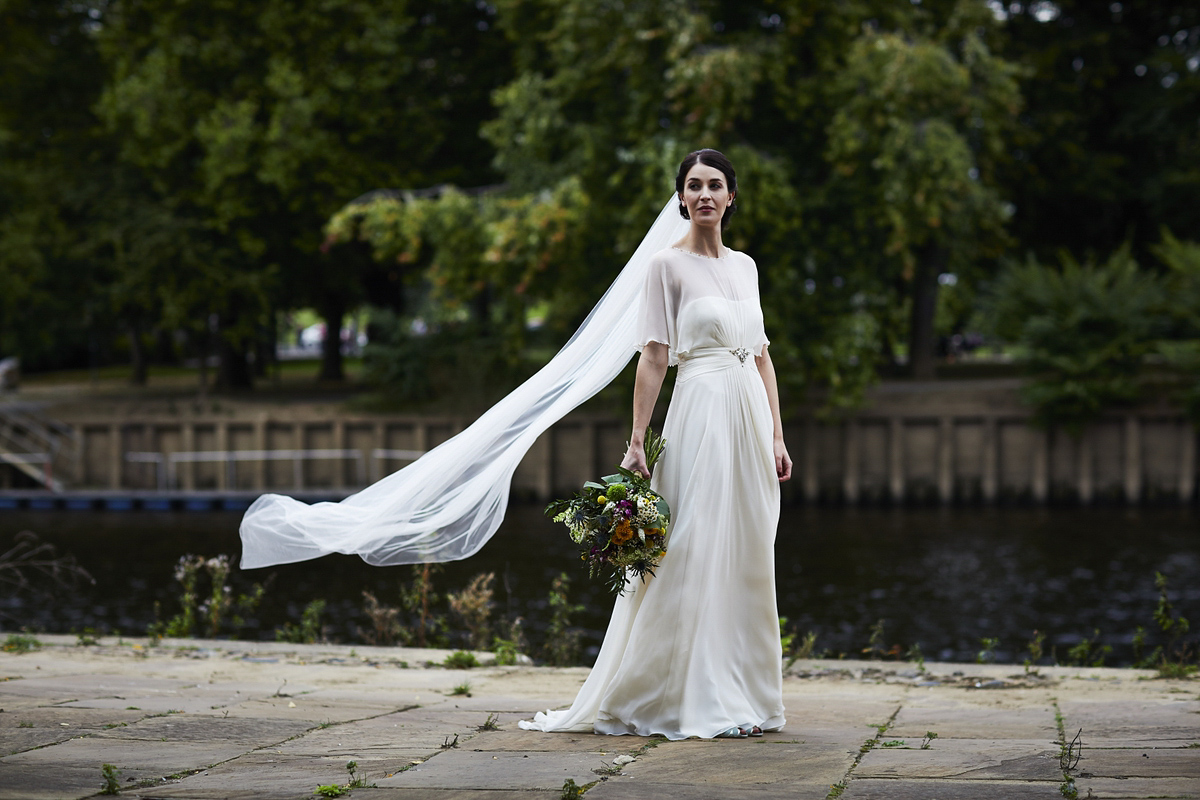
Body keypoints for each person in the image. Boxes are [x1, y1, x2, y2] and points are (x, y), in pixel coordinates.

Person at [519, 149, 793, 740]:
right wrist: (638, 439)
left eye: (715, 185)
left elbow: (765, 356)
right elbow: (653, 357)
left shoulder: (746, 267)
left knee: (747, 548)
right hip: (699, 410)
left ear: (731, 197)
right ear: (681, 198)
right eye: (693, 186)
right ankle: (675, 694)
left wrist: (777, 432)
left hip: (748, 415)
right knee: (692, 545)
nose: (704, 195)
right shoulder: (665, 268)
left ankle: (743, 692)